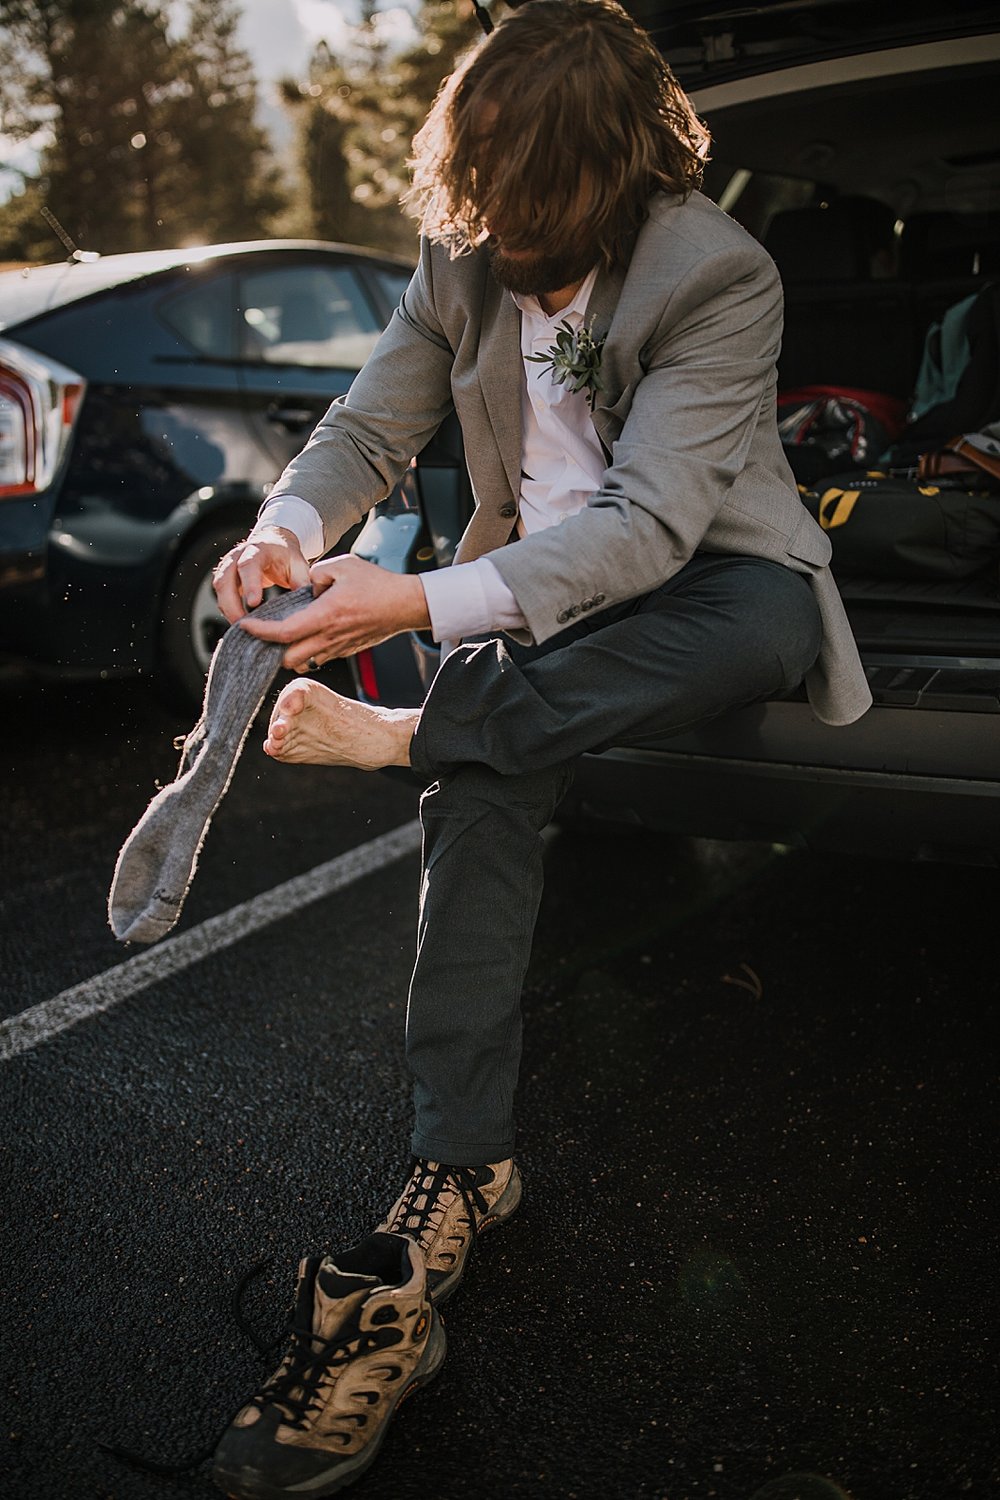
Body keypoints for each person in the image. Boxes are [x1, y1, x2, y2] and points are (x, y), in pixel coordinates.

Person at [209, 2, 872, 1493]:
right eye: (483, 203)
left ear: (624, 174)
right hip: (528, 601)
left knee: (713, 635)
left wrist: (423, 606)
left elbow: (648, 528)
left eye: (537, 213)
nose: (503, 239)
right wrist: (286, 533)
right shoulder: (463, 255)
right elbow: (368, 428)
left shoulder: (719, 269)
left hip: (715, 580)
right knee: (490, 773)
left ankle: (412, 739)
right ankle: (462, 1160)